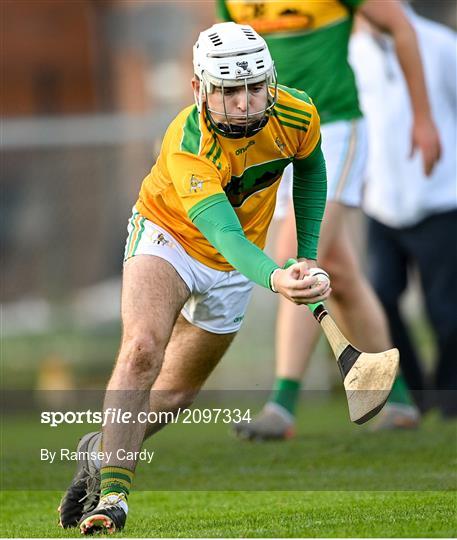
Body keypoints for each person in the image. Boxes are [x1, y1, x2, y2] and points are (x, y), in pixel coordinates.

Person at [58, 22, 334, 534]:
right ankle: (114, 497)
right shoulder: (188, 142)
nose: (246, 104)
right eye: (230, 92)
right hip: (171, 237)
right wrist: (276, 278)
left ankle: (100, 450)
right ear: (200, 90)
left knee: (176, 398)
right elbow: (223, 233)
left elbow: (312, 169)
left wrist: (309, 256)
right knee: (142, 348)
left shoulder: (297, 112)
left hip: (236, 263)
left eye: (255, 88)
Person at [216, 0, 442, 440]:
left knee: (293, 258)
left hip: (334, 130)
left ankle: (282, 406)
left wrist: (423, 117)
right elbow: (220, 64)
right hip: (270, 138)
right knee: (338, 271)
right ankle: (396, 397)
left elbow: (402, 26)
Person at [351, 7, 457, 422]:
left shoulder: (440, 44)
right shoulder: (350, 54)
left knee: (446, 311)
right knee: (379, 299)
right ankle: (412, 394)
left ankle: (450, 399)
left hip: (440, 199)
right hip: (381, 205)